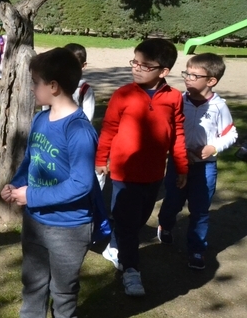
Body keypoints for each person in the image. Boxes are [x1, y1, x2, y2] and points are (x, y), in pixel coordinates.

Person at [0, 48, 98, 318]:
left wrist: (33, 197)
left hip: (69, 226)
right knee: (33, 279)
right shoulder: (41, 119)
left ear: (53, 86)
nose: (32, 88)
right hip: (36, 221)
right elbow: (32, 161)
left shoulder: (79, 131)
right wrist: (16, 184)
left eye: (35, 82)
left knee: (64, 284)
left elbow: (81, 185)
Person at [95, 38, 187, 296]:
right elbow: (109, 128)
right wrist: (101, 159)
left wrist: (181, 166)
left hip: (155, 174)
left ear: (164, 71)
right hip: (124, 173)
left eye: (144, 65)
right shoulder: (122, 94)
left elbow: (177, 134)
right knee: (125, 222)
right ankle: (131, 270)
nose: (136, 68)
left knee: (137, 221)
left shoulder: (174, 98)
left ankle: (115, 246)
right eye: (134, 62)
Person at [157, 53, 237, 270]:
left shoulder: (218, 106)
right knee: (173, 201)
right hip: (178, 163)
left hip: (205, 167)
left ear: (211, 81)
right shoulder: (179, 100)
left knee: (200, 210)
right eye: (186, 73)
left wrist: (213, 147)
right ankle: (165, 225)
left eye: (194, 75)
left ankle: (196, 250)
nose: (187, 78)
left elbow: (231, 134)